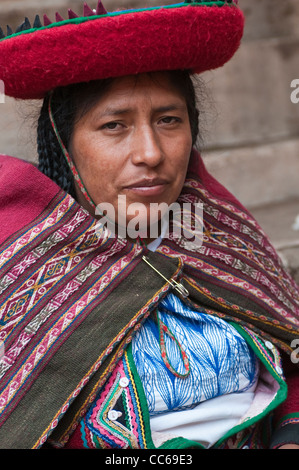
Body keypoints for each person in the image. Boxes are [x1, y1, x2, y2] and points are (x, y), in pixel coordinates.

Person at [0, 0, 298, 450]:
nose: (151, 153)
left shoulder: (228, 239)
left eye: (168, 120)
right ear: (65, 145)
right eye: (115, 125)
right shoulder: (20, 267)